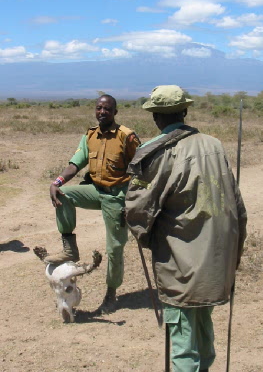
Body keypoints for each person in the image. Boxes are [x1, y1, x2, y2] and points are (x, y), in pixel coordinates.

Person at [125, 85, 247, 372]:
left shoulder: (156, 151)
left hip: (180, 259)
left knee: (181, 338)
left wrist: (144, 233)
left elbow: (138, 207)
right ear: (185, 111)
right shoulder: (214, 144)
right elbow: (237, 204)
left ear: (155, 116)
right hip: (217, 255)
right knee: (203, 321)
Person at [45, 94, 140, 314]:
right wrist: (56, 182)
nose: (102, 112)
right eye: (99, 108)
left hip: (118, 197)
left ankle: (111, 293)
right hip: (96, 191)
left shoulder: (127, 137)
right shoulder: (89, 136)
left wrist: (133, 203)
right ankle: (70, 248)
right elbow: (75, 164)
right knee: (65, 193)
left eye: (107, 109)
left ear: (115, 112)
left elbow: (142, 171)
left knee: (115, 248)